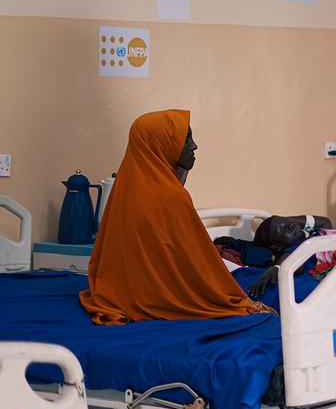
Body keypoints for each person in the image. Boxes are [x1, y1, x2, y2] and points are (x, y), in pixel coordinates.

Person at [79, 109, 274, 325]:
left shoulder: (126, 185)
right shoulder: (170, 197)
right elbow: (195, 260)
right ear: (161, 144)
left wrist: (181, 172)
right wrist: (231, 297)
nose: (193, 146)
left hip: (123, 291)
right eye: (185, 138)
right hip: (154, 295)